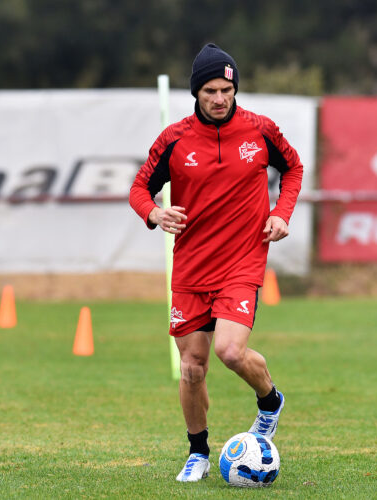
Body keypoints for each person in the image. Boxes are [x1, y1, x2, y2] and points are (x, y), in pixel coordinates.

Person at [129, 43, 303, 482]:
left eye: (227, 90)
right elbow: (139, 189)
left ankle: (269, 401)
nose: (220, 99)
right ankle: (198, 452)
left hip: (242, 262)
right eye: (211, 91)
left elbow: (294, 168)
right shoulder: (174, 140)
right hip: (190, 266)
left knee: (228, 350)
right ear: (196, 92)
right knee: (192, 368)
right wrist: (154, 212)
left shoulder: (260, 130)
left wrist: (281, 213)